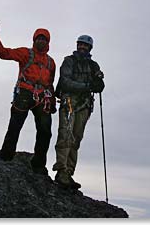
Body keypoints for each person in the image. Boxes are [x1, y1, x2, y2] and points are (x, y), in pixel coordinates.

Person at [0, 23, 56, 175]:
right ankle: (6, 157)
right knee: (15, 126)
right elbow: (3, 53)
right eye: (39, 38)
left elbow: (50, 83)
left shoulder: (51, 63)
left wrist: (51, 101)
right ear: (34, 40)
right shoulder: (25, 53)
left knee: (45, 131)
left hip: (42, 97)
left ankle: (38, 164)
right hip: (24, 93)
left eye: (44, 39)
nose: (41, 41)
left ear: (48, 42)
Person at [53, 35, 105, 188]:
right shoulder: (69, 61)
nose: (82, 47)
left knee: (76, 138)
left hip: (84, 105)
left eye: (85, 45)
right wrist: (87, 86)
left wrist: (98, 80)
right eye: (80, 45)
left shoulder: (93, 65)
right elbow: (64, 82)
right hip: (69, 102)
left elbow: (100, 86)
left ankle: (69, 172)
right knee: (65, 135)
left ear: (89, 48)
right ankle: (61, 171)